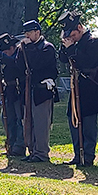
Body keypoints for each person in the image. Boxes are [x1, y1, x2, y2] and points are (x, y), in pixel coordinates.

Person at [57, 10, 98, 166]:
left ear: (79, 28)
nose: (71, 38)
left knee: (88, 122)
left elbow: (88, 62)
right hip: (77, 85)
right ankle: (77, 153)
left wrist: (72, 49)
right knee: (73, 118)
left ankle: (88, 155)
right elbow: (63, 59)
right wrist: (64, 46)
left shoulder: (93, 42)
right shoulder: (73, 43)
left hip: (90, 85)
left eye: (72, 34)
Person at [19, 19, 58, 163]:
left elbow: (36, 65)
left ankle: (41, 153)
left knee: (41, 123)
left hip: (42, 91)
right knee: (29, 122)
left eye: (30, 32)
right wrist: (22, 50)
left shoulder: (47, 48)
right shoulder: (25, 48)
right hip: (29, 90)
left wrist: (28, 49)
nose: (27, 36)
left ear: (37, 32)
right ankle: (32, 150)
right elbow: (19, 66)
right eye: (26, 33)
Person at [0, 33, 26, 158]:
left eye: (6, 50)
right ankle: (11, 144)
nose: (5, 53)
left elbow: (11, 62)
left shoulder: (19, 54)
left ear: (12, 47)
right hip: (8, 90)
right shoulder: (4, 56)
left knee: (19, 119)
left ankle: (19, 147)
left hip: (18, 90)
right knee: (7, 119)